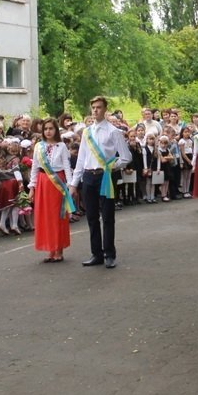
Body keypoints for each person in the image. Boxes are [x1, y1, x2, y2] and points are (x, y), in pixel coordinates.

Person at [70, 95, 133, 269]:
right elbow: (81, 158)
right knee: (91, 217)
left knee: (107, 217)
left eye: (99, 107)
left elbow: (126, 157)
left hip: (105, 176)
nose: (95, 110)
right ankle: (96, 253)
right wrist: (74, 183)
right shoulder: (87, 132)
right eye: (93, 107)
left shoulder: (113, 131)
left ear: (105, 109)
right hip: (88, 177)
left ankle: (109, 254)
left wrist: (112, 166)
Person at [28, 118, 74, 263]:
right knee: (45, 217)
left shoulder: (62, 146)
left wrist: (70, 185)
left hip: (57, 183)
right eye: (46, 129)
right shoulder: (38, 146)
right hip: (42, 183)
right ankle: (50, 248)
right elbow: (34, 168)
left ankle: (58, 249)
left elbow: (66, 166)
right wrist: (32, 187)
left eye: (51, 128)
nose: (48, 131)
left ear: (56, 130)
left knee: (57, 216)